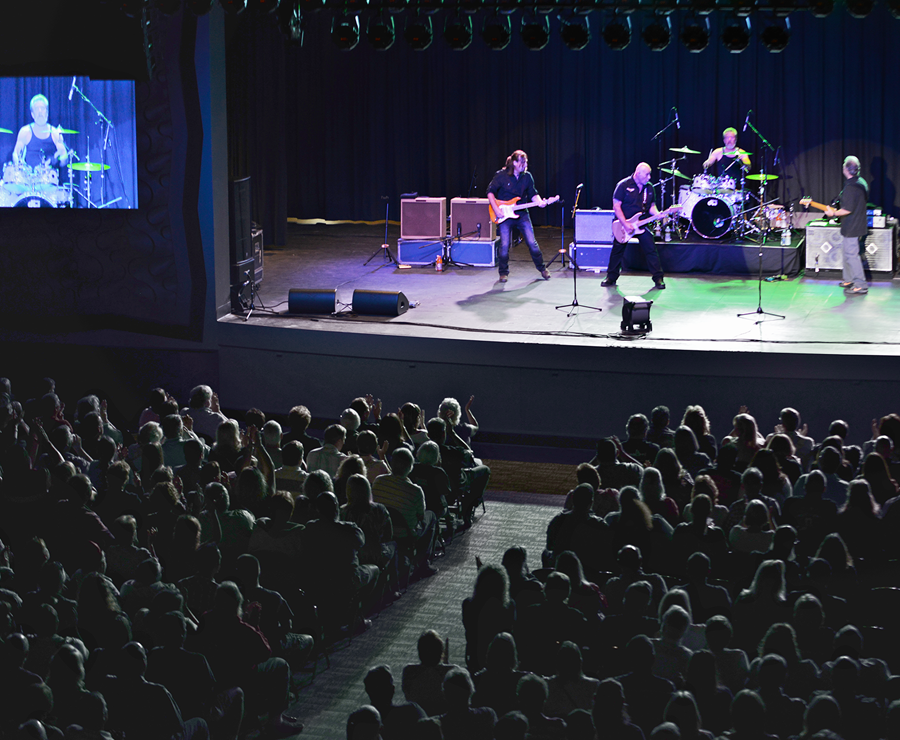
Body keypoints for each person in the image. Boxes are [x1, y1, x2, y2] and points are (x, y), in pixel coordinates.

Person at [486, 150, 552, 283]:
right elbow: (490, 193)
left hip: (522, 214)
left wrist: (539, 202)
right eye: (522, 162)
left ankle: (542, 268)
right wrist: (496, 210)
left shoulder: (527, 176)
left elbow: (533, 193)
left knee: (532, 243)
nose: (525, 164)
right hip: (504, 215)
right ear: (515, 163)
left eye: (526, 161)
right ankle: (503, 273)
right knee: (504, 245)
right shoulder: (501, 175)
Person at [604, 162, 665, 290]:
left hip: (641, 224)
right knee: (617, 250)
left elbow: (651, 206)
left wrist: (658, 214)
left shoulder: (649, 188)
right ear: (638, 174)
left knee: (651, 249)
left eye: (650, 175)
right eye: (647, 175)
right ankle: (611, 277)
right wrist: (625, 224)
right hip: (623, 224)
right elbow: (616, 206)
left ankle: (658, 278)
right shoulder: (623, 185)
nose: (649, 178)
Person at [821, 156, 869, 295]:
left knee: (851, 255)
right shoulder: (861, 182)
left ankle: (860, 284)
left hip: (852, 225)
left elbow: (847, 209)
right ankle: (848, 279)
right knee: (847, 253)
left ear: (846, 169)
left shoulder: (851, 187)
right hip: (856, 224)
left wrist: (833, 214)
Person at [13, 94, 68, 169]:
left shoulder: (55, 133)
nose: (40, 111)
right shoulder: (25, 131)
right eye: (36, 108)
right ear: (32, 114)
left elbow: (64, 159)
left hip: (49, 177)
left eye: (42, 108)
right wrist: (19, 164)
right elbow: (16, 154)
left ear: (47, 112)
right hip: (28, 177)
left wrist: (61, 157)